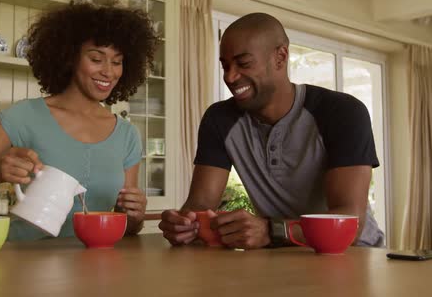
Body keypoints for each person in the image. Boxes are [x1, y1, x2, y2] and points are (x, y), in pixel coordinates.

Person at [159, 12, 384, 249]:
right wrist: (185, 224)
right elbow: (201, 204)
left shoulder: (343, 112)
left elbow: (350, 222)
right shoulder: (219, 119)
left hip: (352, 253)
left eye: (243, 63)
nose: (230, 76)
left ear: (281, 57)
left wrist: (272, 231)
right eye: (225, 66)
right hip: (279, 255)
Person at [0, 0, 159, 240]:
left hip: (97, 268)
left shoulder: (127, 135)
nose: (108, 71)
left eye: (117, 62)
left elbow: (127, 226)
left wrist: (135, 216)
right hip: (26, 262)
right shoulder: (24, 116)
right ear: (68, 56)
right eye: (96, 59)